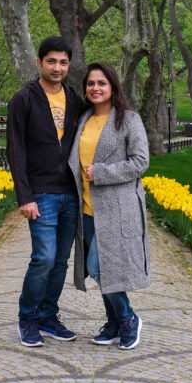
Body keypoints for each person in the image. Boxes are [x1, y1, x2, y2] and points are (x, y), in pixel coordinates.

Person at [6, 36, 85, 347]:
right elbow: (16, 151)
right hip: (41, 193)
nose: (57, 67)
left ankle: (48, 315)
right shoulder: (23, 99)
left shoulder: (74, 99)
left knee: (61, 260)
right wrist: (24, 196)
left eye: (63, 62)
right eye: (51, 61)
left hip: (70, 192)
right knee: (43, 257)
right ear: (40, 63)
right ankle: (28, 316)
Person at [68, 62, 150, 350]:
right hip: (88, 210)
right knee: (105, 268)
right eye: (91, 83)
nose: (95, 88)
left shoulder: (128, 119)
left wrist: (101, 173)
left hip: (117, 208)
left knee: (99, 266)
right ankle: (114, 323)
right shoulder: (85, 118)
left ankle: (128, 317)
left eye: (101, 83)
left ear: (113, 86)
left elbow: (141, 162)